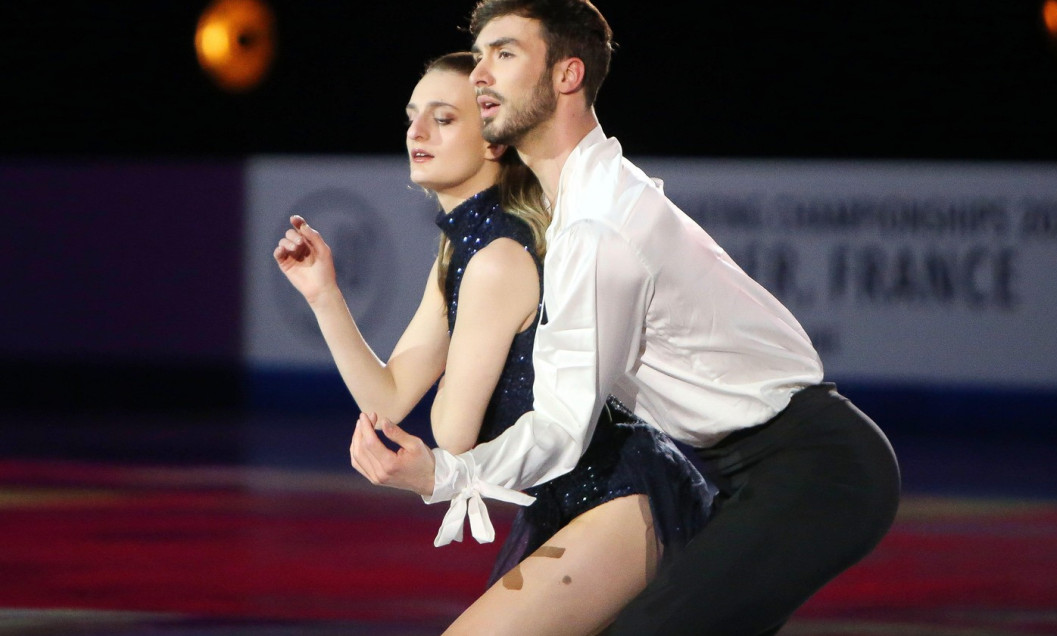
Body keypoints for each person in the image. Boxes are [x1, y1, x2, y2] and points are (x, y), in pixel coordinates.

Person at [349, 2, 902, 635]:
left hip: (814, 471)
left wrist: (447, 474)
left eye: (504, 54)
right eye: (478, 57)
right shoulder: (582, 207)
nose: (479, 74)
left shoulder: (598, 225)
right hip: (752, 472)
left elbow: (562, 425)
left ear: (567, 75)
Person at [276, 51, 715, 635]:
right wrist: (324, 294)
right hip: (571, 502)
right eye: (412, 116)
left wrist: (432, 459)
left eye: (445, 118)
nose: (417, 132)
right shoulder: (463, 250)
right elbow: (388, 396)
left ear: (493, 141)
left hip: (619, 494)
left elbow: (452, 437)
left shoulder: (496, 259)